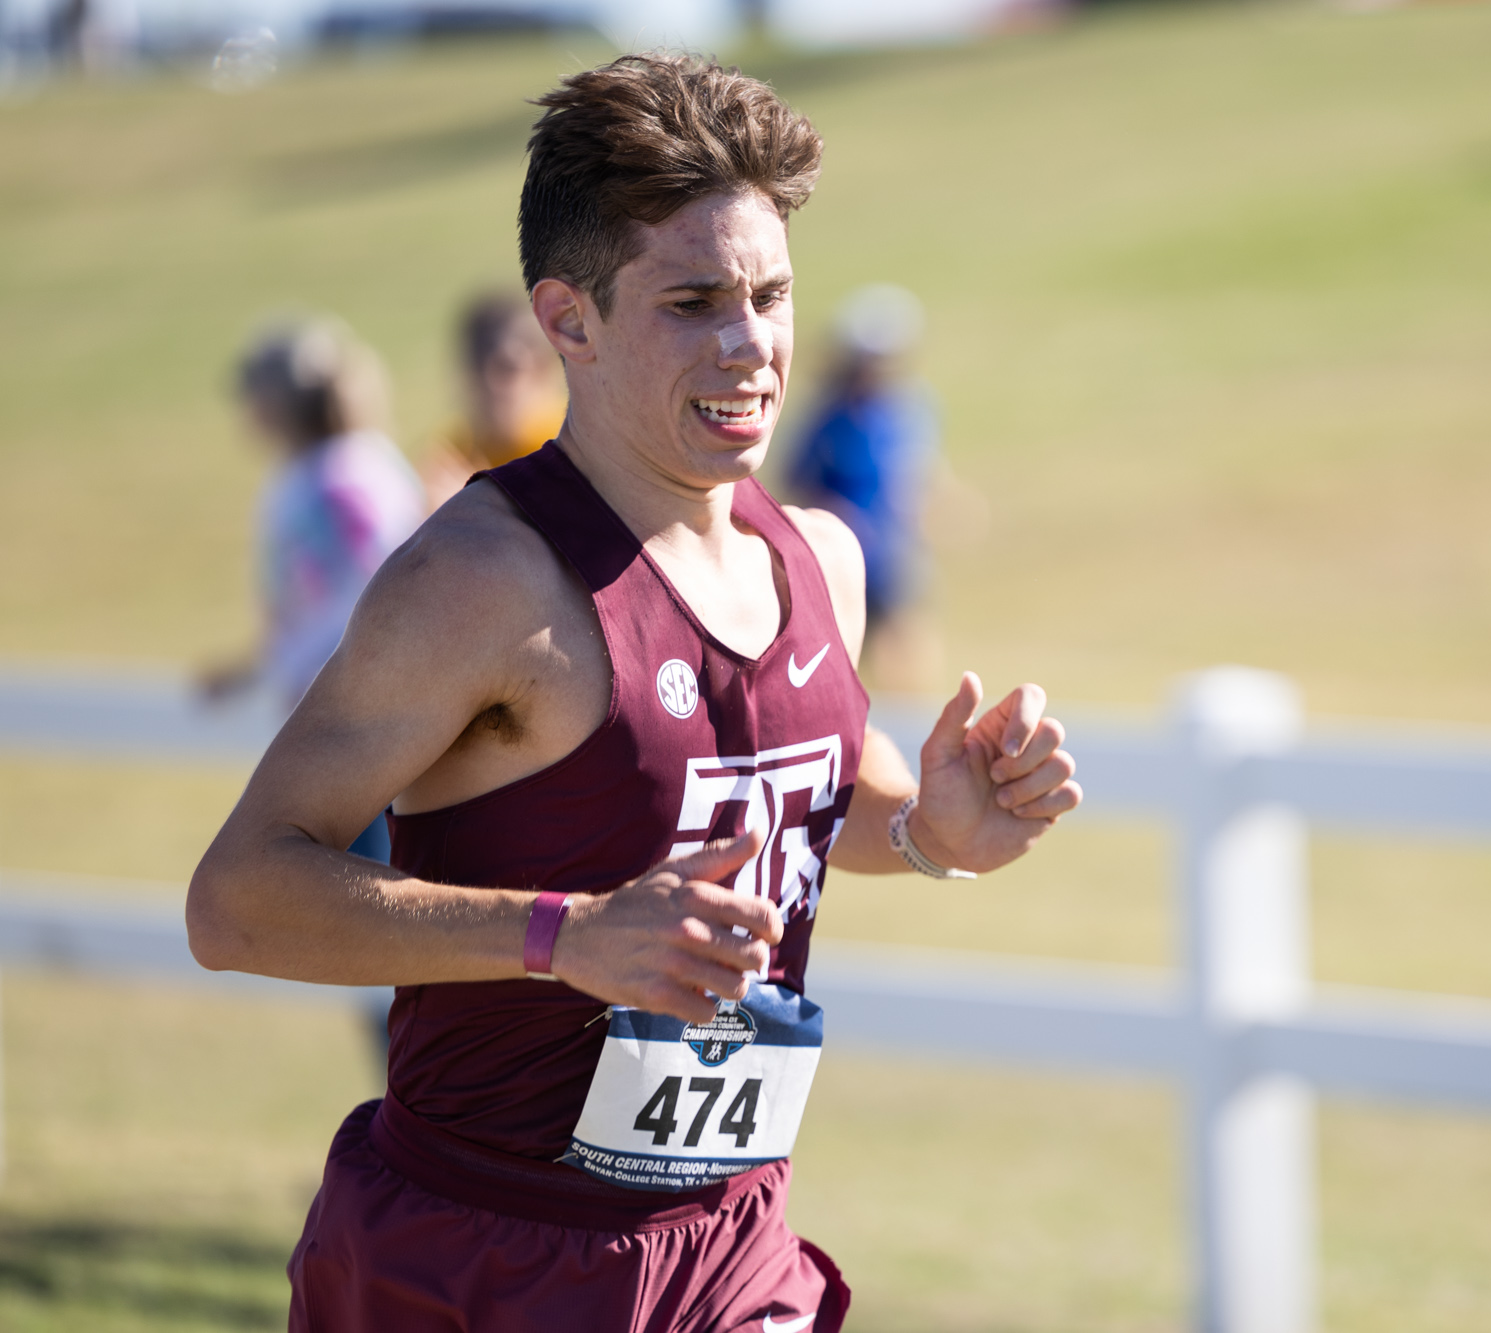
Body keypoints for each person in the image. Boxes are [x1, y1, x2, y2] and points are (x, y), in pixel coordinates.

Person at [186, 52, 1082, 1333]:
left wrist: (924, 831)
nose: (749, 345)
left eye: (771, 294)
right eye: (692, 300)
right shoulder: (478, 582)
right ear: (569, 320)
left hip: (729, 1245)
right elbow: (236, 899)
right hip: (477, 1259)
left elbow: (791, 801)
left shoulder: (819, 556)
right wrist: (562, 937)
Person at [202, 316, 424, 861]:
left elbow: (389, 581)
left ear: (280, 399)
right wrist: (252, 669)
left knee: (364, 877)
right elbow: (306, 606)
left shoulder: (341, 478)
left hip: (356, 718)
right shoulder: (319, 473)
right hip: (335, 713)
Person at [787, 283, 974, 693]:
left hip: (898, 554)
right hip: (846, 556)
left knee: (908, 648)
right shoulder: (829, 418)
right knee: (849, 660)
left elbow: (921, 469)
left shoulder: (912, 407)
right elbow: (797, 481)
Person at [418, 290, 568, 512]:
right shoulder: (455, 454)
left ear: (543, 369)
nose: (491, 385)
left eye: (507, 369)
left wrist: (474, 504)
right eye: (478, 368)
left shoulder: (569, 444)